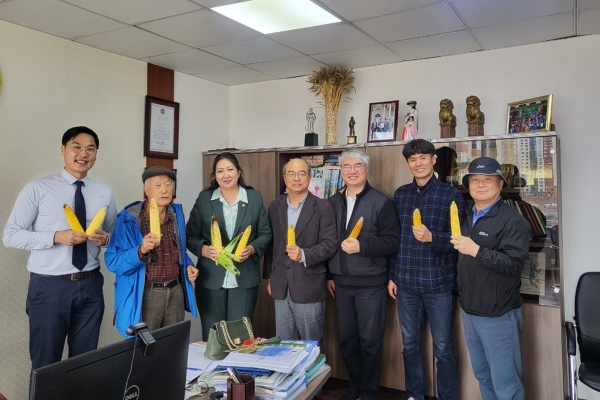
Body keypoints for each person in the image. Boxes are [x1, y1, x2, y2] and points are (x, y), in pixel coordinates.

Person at [3, 126, 117, 373]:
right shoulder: (38, 188)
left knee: (85, 364)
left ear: (96, 154)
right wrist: (56, 236)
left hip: (90, 285)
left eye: (90, 149)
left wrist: (104, 239)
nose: (83, 154)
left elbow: (113, 236)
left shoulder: (104, 192)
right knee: (46, 366)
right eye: (77, 147)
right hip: (49, 287)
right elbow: (10, 236)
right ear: (63, 149)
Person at [388, 139, 465, 400]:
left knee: (443, 347)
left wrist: (434, 237)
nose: (418, 163)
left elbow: (460, 242)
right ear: (408, 164)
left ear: (433, 160)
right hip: (406, 282)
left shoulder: (450, 194)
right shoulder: (400, 194)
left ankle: (447, 396)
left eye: (423, 157)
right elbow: (395, 239)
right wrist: (392, 275)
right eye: (412, 159)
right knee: (409, 345)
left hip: (439, 284)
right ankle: (415, 394)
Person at [450, 157, 530, 400]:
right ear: (468, 185)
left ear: (500, 184)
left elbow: (514, 265)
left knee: (506, 383)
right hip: (471, 312)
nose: (481, 184)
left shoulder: (513, 221)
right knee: (483, 376)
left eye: (488, 179)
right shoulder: (467, 215)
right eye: (475, 179)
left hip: (498, 316)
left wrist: (477, 250)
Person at [327, 149, 400, 400]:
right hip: (341, 284)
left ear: (366, 169)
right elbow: (327, 242)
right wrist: (329, 275)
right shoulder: (332, 202)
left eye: (358, 166)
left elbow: (393, 242)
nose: (352, 171)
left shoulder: (381, 202)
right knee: (348, 342)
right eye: (347, 167)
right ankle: (355, 388)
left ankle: (369, 393)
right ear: (341, 171)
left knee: (370, 342)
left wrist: (362, 247)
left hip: (371, 284)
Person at [186, 152, 272, 340]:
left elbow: (265, 233)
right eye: (220, 171)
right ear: (215, 176)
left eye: (230, 169)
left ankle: (238, 370)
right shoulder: (205, 199)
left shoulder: (254, 197)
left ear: (239, 172)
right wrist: (204, 250)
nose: (226, 175)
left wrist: (251, 249)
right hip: (211, 279)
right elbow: (190, 235)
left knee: (240, 338)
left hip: (244, 279)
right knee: (213, 337)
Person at [104, 166, 198, 337]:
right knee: (143, 352)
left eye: (168, 185)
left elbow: (180, 252)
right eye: (158, 186)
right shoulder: (129, 219)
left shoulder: (175, 215)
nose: (164, 190)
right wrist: (140, 250)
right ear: (146, 190)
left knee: (173, 347)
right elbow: (112, 261)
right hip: (146, 294)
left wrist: (189, 266)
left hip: (175, 292)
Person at [264, 158, 337, 342]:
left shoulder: (323, 207)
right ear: (285, 178)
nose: (296, 178)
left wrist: (304, 254)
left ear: (310, 177)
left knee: (309, 346)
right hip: (281, 287)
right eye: (291, 173)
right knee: (285, 346)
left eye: (302, 173)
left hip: (309, 288)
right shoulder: (275, 206)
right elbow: (271, 244)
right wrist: (271, 277)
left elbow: (329, 245)